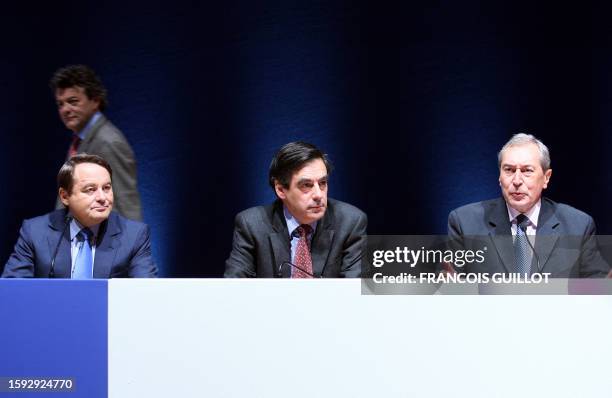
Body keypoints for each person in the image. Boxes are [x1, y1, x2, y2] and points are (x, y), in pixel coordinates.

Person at [447, 133, 610, 277]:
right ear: (499, 176)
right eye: (509, 170)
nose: (517, 181)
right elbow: (451, 286)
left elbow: (596, 287)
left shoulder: (578, 226)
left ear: (546, 177)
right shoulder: (465, 223)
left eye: (527, 171)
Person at [225, 141, 367, 278]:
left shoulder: (350, 222)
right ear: (281, 189)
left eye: (322, 183)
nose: (318, 194)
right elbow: (233, 288)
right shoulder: (251, 224)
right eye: (306, 185)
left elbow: (355, 290)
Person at [2, 154, 157, 278]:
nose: (102, 197)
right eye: (90, 189)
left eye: (107, 188)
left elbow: (146, 294)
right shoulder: (35, 232)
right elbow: (13, 290)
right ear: (64, 196)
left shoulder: (134, 235)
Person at [51, 64, 142, 221]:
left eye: (73, 101)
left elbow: (127, 210)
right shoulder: (80, 140)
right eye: (61, 104)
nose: (65, 109)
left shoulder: (108, 143)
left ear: (95, 100)